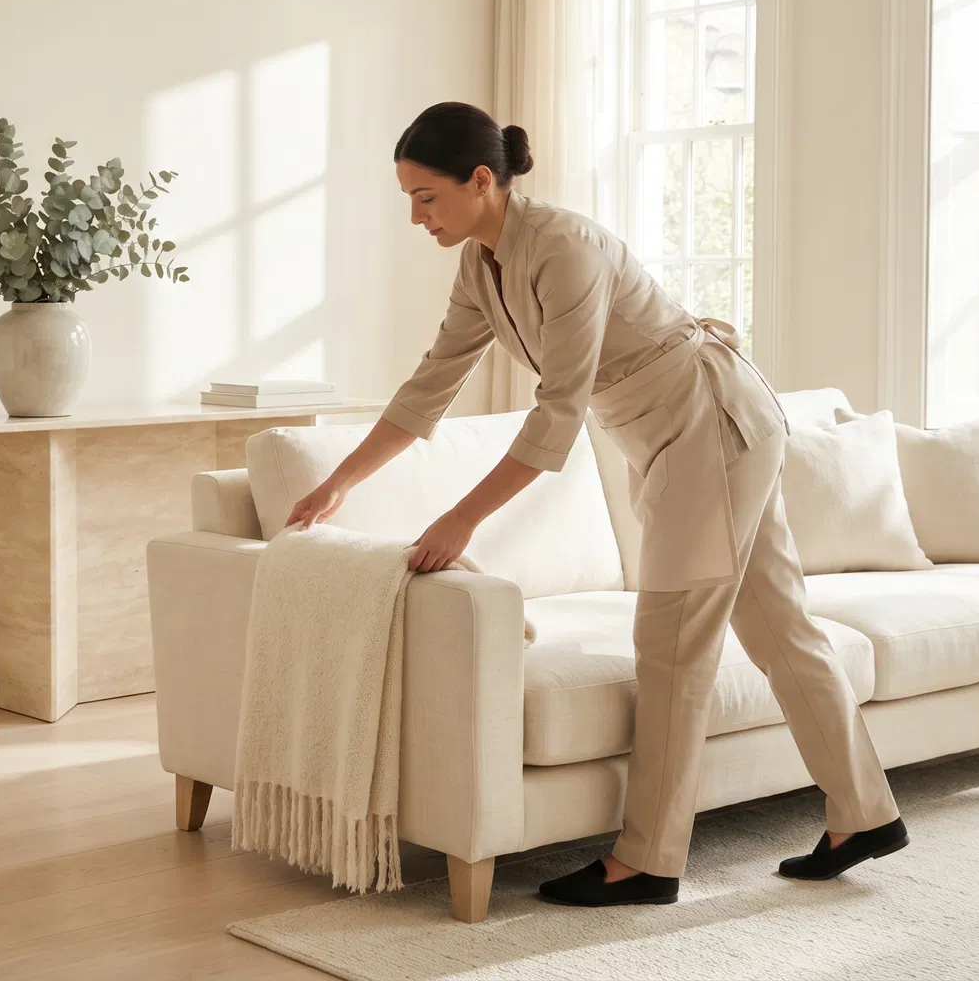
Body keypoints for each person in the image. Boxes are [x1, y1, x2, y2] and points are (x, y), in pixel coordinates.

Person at [285, 102, 910, 907]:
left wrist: (461, 518)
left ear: (482, 181)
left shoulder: (565, 249)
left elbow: (558, 412)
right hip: (689, 436)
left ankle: (647, 860)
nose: (416, 216)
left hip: (709, 426)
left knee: (673, 644)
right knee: (777, 625)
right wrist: (342, 479)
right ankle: (864, 815)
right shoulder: (481, 265)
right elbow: (430, 384)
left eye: (427, 197)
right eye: (408, 198)